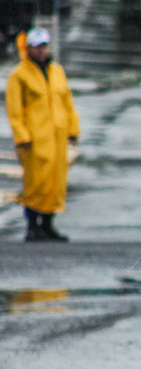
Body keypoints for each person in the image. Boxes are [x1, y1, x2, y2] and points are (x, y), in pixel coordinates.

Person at [5, 28, 80, 242]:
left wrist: (73, 129)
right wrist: (22, 136)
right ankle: (32, 226)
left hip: (57, 137)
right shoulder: (19, 74)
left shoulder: (57, 71)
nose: (41, 51)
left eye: (44, 46)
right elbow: (14, 110)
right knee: (35, 183)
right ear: (28, 48)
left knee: (55, 182)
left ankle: (48, 224)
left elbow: (67, 102)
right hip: (34, 140)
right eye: (37, 47)